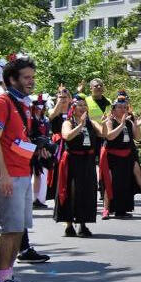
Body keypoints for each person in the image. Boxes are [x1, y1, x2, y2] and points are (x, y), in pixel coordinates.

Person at [0, 55, 43, 282]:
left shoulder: (23, 104)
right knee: (10, 229)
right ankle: (1, 280)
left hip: (22, 173)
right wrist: (4, 174)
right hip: (7, 175)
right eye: (26, 78)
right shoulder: (1, 102)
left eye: (32, 77)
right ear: (11, 79)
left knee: (18, 229)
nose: (31, 82)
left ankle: (8, 276)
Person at [55, 96, 100, 237]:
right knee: (71, 191)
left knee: (86, 191)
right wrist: (80, 126)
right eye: (79, 105)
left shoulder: (91, 122)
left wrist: (104, 123)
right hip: (72, 160)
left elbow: (105, 134)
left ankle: (82, 223)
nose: (82, 107)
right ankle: (69, 224)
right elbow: (67, 136)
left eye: (84, 105)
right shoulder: (68, 123)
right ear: (73, 109)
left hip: (87, 160)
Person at [100, 94, 141, 219]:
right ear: (113, 109)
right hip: (112, 156)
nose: (123, 109)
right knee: (110, 182)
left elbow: (138, 138)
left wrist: (136, 125)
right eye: (120, 107)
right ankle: (106, 209)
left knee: (125, 183)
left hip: (126, 156)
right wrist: (121, 125)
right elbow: (110, 136)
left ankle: (122, 209)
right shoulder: (110, 121)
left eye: (125, 107)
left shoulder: (129, 122)